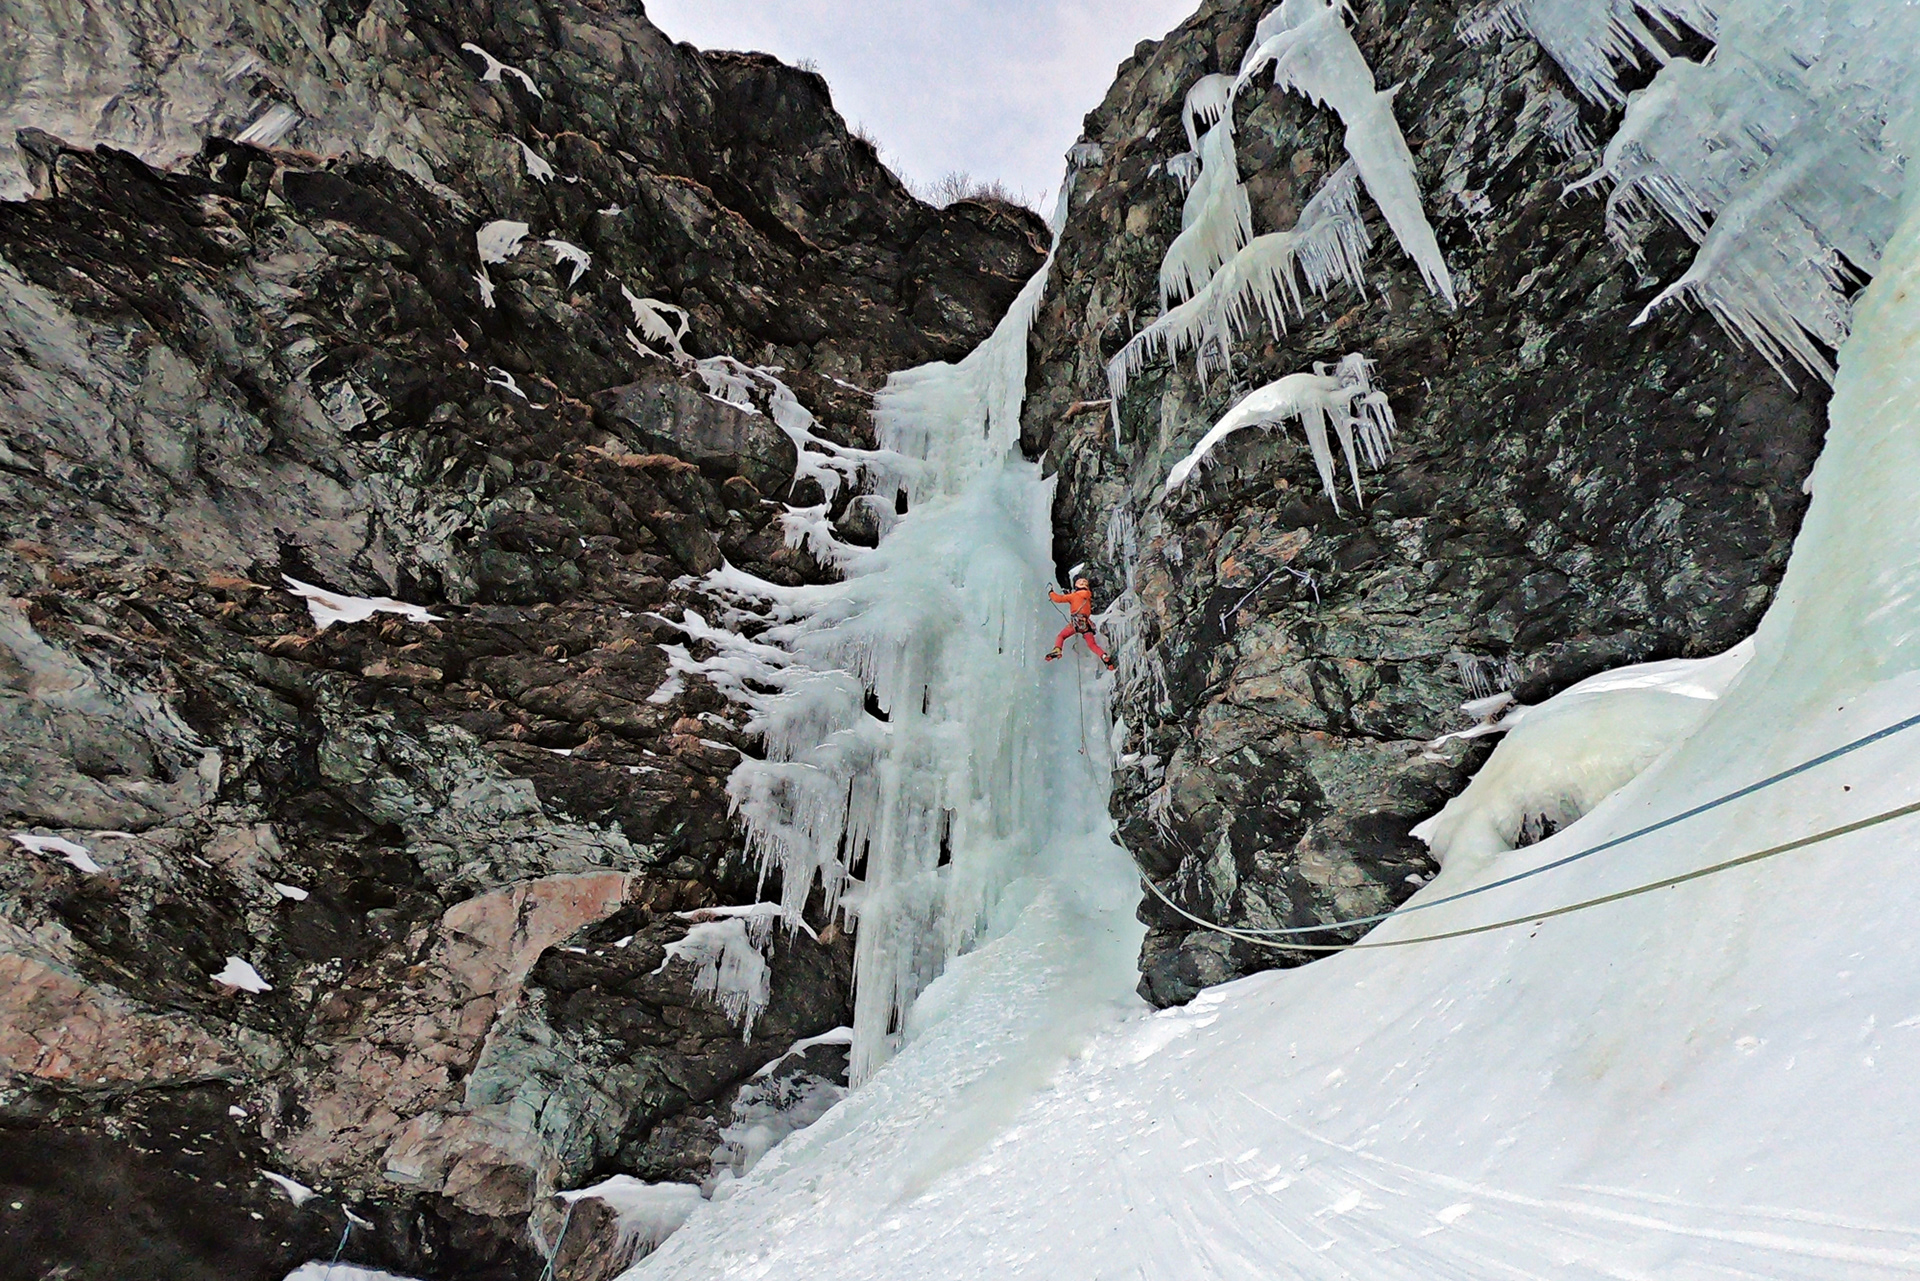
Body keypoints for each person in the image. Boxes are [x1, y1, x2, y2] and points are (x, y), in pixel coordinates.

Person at [1046, 576, 1115, 669]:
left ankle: (1057, 650)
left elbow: (1058, 599)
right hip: (1086, 624)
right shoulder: (1087, 597)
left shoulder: (1073, 596)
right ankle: (1104, 656)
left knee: (1061, 636)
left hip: (1076, 623)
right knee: (1092, 644)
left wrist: (1050, 592)